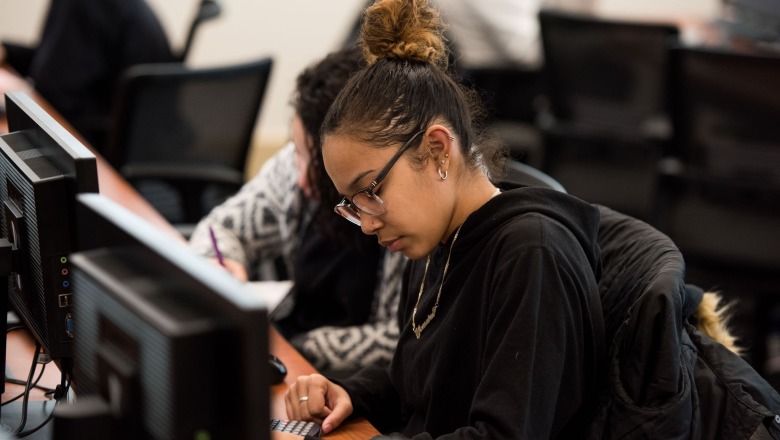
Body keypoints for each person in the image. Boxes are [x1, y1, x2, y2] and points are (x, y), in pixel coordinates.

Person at [282, 0, 606, 437]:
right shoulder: (438, 238)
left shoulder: (532, 254)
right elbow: (414, 382)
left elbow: (504, 433)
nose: (367, 223)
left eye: (371, 192)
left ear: (438, 149)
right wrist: (350, 393)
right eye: (351, 204)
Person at [188, 47, 407, 378]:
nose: (300, 177)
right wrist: (220, 266)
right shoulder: (293, 168)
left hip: (355, 384)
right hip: (290, 358)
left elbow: (404, 339)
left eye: (312, 162)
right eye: (297, 151)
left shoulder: (404, 214)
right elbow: (221, 228)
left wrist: (302, 351)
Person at [0, 0, 174, 150]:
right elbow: (60, 59)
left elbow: (55, 92)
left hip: (100, 143)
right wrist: (8, 52)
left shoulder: (84, 4)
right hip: (140, 137)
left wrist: (13, 91)